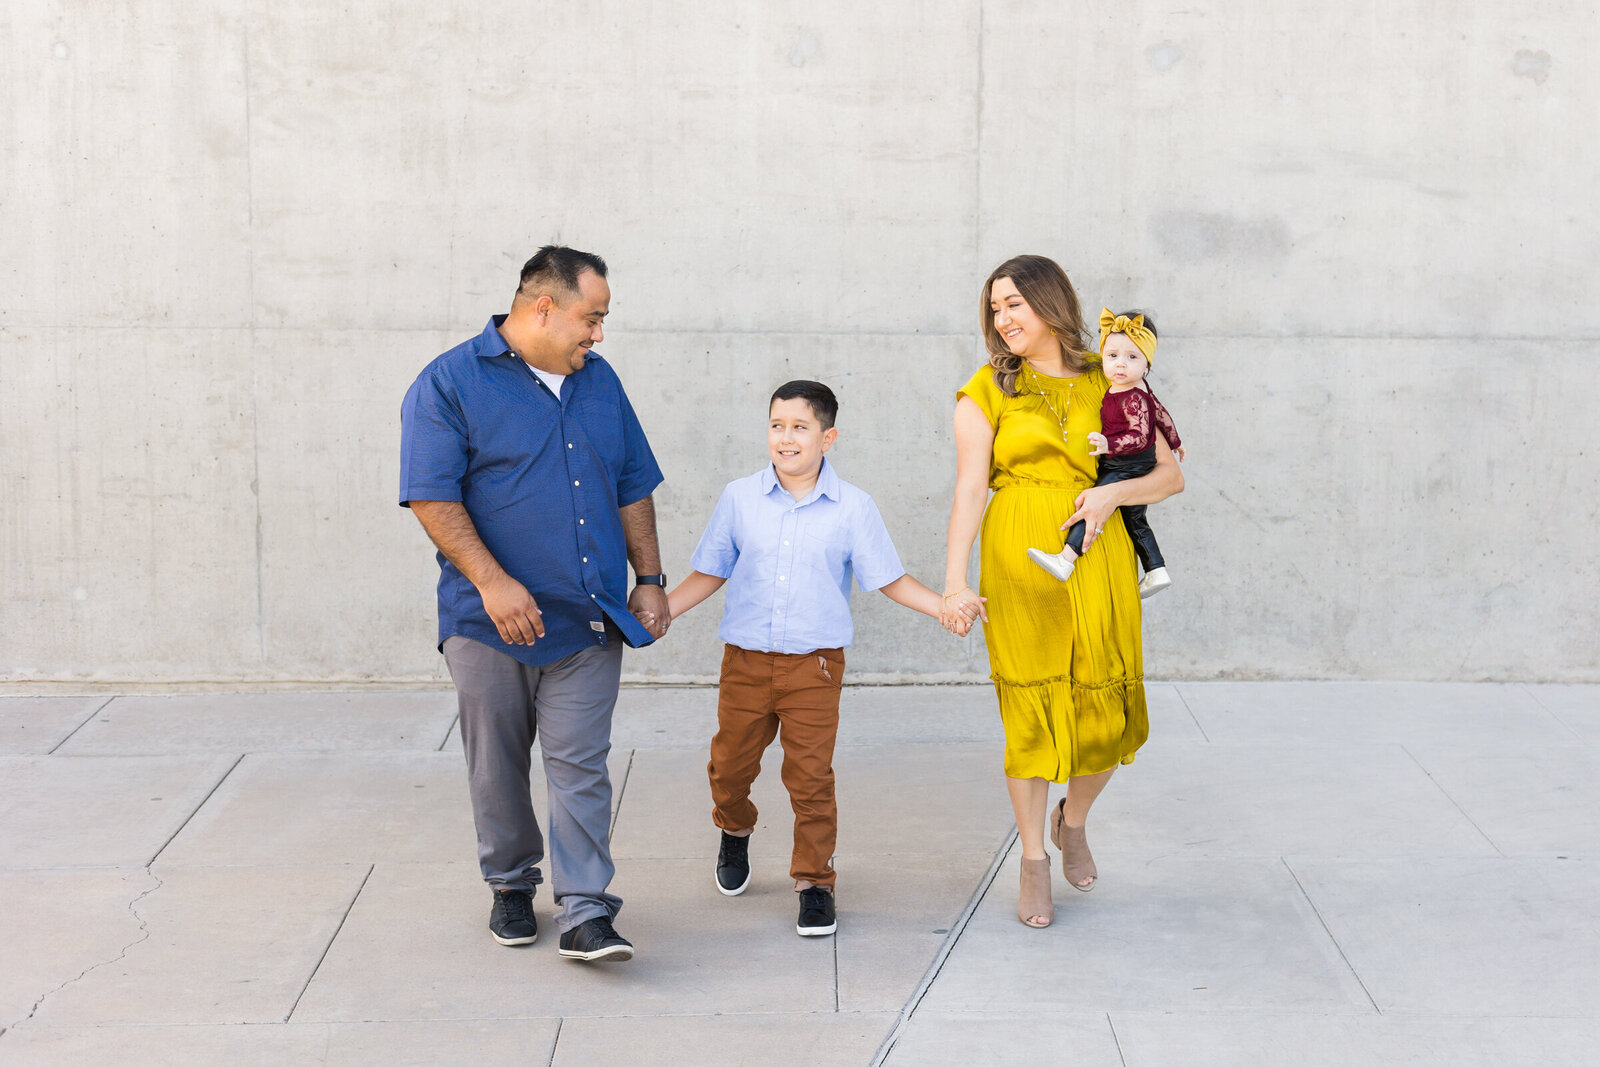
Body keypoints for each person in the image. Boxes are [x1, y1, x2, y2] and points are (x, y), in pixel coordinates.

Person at [399, 245, 669, 963]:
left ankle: (586, 910)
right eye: (593, 317)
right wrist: (491, 580)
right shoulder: (449, 382)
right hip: (489, 624)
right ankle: (511, 883)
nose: (599, 335)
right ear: (543, 305)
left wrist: (650, 576)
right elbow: (431, 494)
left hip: (586, 616)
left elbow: (633, 481)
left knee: (581, 764)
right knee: (497, 766)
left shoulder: (600, 383)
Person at [651, 380, 969, 938]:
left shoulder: (853, 507)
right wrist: (657, 615)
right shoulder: (739, 497)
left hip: (814, 668)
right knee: (729, 769)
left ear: (828, 437)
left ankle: (814, 882)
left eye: (800, 427)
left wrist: (943, 607)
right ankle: (735, 828)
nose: (786, 437)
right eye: (777, 425)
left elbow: (887, 579)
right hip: (745, 663)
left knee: (811, 777)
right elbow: (710, 571)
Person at [940, 256, 1183, 928]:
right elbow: (967, 487)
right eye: (995, 308)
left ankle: (1071, 818)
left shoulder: (1111, 371)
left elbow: (1169, 474)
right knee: (1029, 716)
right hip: (1019, 558)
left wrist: (1111, 493)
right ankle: (1033, 859)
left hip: (1098, 556)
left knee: (1106, 712)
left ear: (1050, 301)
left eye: (1014, 302)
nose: (1003, 319)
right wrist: (955, 579)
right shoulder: (987, 388)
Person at [1027, 308, 1186, 598]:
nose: (1120, 365)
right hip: (1128, 462)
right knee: (1135, 520)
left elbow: (1139, 437)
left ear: (1147, 365)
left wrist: (1108, 445)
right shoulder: (1134, 388)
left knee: (1093, 505)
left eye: (1132, 357)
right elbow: (1161, 413)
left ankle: (1066, 559)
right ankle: (1156, 569)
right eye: (1112, 356)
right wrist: (1175, 442)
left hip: (1126, 465)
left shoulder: (1133, 397)